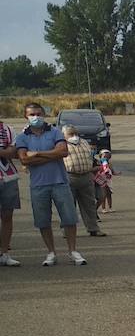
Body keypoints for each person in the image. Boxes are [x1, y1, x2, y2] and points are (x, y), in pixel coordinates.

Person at [15, 103, 85, 266]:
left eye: (38, 113)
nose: (36, 117)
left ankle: (72, 251)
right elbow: (24, 159)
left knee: (69, 218)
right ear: (26, 116)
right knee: (43, 220)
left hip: (59, 181)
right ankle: (51, 252)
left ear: (44, 114)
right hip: (38, 185)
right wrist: (50, 155)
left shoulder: (54, 132)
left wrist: (37, 154)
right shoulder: (22, 137)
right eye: (32, 114)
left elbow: (63, 152)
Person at [61, 125, 105, 237]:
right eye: (71, 134)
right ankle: (67, 231)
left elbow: (92, 157)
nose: (74, 136)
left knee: (89, 205)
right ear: (64, 135)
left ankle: (93, 228)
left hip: (86, 177)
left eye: (75, 133)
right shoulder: (61, 144)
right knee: (68, 206)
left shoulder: (84, 142)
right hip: (69, 177)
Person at [0, 118, 20, 266]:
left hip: (8, 176)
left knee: (7, 215)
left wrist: (5, 151)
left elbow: (13, 152)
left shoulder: (7, 129)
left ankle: (4, 253)